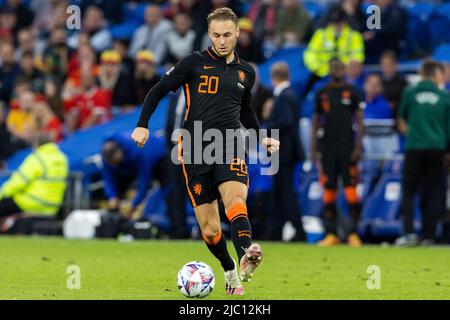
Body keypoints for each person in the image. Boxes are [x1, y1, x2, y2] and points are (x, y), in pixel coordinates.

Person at [131, 7, 279, 295]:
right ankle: (229, 270)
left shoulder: (246, 72)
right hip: (195, 147)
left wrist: (262, 137)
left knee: (235, 199)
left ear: (237, 33)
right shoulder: (193, 63)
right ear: (209, 34)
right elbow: (158, 90)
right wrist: (142, 125)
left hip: (230, 144)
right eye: (216, 35)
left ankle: (247, 252)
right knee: (210, 229)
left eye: (227, 35)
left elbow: (245, 109)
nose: (222, 40)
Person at [395, 59, 450, 246]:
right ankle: (429, 236)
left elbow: (401, 122)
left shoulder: (410, 93)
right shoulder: (444, 97)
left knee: (409, 191)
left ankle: (409, 233)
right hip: (437, 149)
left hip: (415, 148)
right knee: (433, 191)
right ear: (435, 74)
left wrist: (414, 132)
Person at [311, 58, 364, 247]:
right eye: (334, 67)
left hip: (348, 148)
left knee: (351, 191)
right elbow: (316, 121)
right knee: (329, 190)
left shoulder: (353, 92)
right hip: (327, 149)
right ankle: (331, 233)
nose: (338, 70)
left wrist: (358, 146)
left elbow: (359, 120)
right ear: (329, 69)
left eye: (341, 67)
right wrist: (313, 149)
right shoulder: (322, 93)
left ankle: (353, 233)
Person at [265, 62, 306, 241]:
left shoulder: (284, 96)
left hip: (283, 152)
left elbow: (286, 122)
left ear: (273, 77)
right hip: (284, 152)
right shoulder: (291, 95)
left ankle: (299, 230)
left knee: (285, 192)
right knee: (280, 192)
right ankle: (276, 230)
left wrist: (267, 126)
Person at [0, 133, 68, 218]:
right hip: (53, 205)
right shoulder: (62, 158)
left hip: (32, 201)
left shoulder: (37, 158)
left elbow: (18, 183)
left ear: (36, 145)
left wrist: (2, 193)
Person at [101, 132, 166, 219]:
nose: (116, 165)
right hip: (132, 164)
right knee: (118, 187)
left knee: (167, 187)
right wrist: (112, 197)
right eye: (114, 164)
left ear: (121, 152)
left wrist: (133, 205)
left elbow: (144, 183)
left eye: (118, 162)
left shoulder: (138, 151)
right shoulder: (107, 158)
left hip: (162, 157)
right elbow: (108, 179)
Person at [303, 5, 364, 97]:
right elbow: (310, 53)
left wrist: (345, 69)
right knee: (310, 90)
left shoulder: (354, 36)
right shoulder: (320, 34)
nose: (337, 25)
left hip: (345, 75)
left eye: (339, 22)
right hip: (323, 74)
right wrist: (318, 68)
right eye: (334, 23)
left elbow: (358, 56)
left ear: (344, 21)